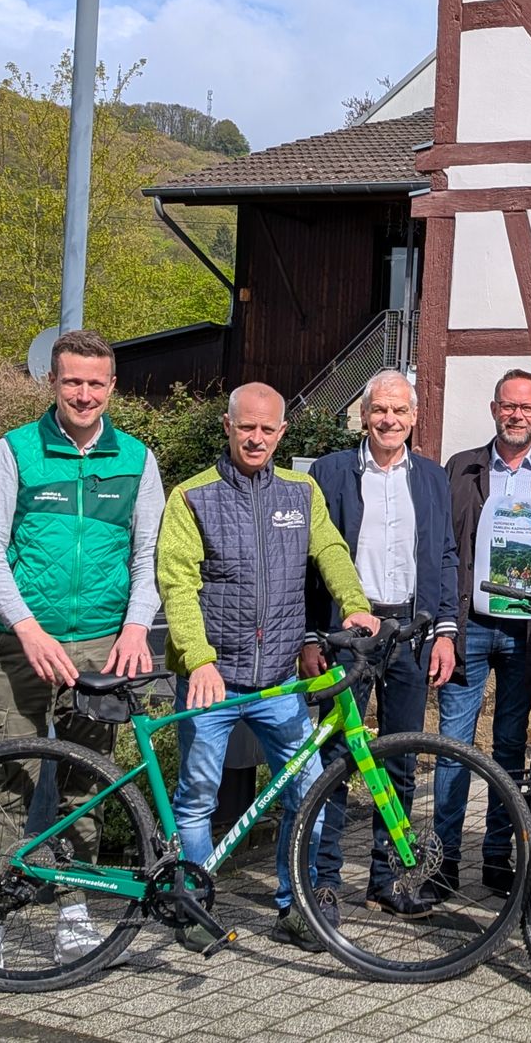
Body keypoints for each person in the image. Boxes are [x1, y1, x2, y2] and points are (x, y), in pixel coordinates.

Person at [0, 330, 164, 993]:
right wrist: (28, 629)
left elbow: (148, 557)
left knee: (86, 787)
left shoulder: (137, 458)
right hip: (25, 644)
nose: (84, 394)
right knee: (10, 782)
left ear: (113, 387)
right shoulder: (16, 451)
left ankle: (75, 914)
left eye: (96, 383)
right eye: (73, 382)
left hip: (103, 642)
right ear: (53, 382)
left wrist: (136, 627)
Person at [158, 382, 377, 952]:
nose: (256, 438)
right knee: (198, 795)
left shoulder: (300, 493)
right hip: (214, 680)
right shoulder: (191, 497)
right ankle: (193, 907)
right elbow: (177, 584)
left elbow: (329, 550)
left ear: (283, 433)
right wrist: (198, 660)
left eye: (267, 429)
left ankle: (294, 906)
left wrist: (355, 604)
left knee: (306, 792)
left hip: (281, 678)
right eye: (246, 427)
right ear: (227, 427)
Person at [303, 370, 459, 915]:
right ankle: (321, 881)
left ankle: (387, 879)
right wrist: (310, 635)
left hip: (410, 636)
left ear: (414, 419)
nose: (389, 420)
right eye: (379, 410)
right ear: (363, 415)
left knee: (400, 759)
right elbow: (310, 558)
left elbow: (444, 556)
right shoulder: (330, 472)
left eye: (399, 411)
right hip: (348, 635)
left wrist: (444, 631)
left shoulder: (433, 478)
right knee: (334, 758)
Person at [436, 369, 531, 896]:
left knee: (510, 748)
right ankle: (443, 861)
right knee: (453, 742)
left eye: (526, 407)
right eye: (507, 405)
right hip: (471, 625)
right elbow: (447, 550)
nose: (516, 415)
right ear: (494, 409)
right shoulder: (461, 468)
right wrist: (446, 627)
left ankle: (498, 857)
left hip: (530, 633)